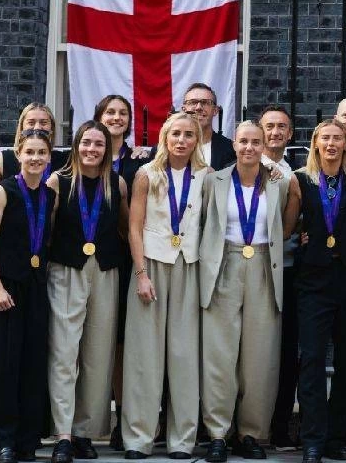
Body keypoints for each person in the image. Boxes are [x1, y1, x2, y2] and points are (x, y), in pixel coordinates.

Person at [199, 120, 298, 462]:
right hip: (224, 264)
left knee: (260, 357)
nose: (250, 147)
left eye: (256, 142)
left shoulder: (278, 182)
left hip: (263, 266)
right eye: (244, 141)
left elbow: (291, 214)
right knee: (220, 356)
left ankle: (251, 433)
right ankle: (217, 433)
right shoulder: (214, 181)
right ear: (235, 144)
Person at [121, 112, 209, 460]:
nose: (182, 140)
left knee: (185, 355)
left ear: (197, 140)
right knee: (145, 355)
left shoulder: (207, 177)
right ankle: (139, 438)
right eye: (176, 133)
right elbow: (134, 227)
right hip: (152, 266)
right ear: (165, 137)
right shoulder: (147, 174)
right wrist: (141, 273)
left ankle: (182, 440)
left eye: (189, 134)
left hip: (189, 265)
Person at [45, 121, 129, 463]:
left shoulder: (117, 183)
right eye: (86, 143)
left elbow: (126, 228)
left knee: (98, 356)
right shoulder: (57, 182)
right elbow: (44, 229)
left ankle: (85, 432)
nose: (92, 149)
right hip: (66, 270)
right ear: (76, 145)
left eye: (99, 144)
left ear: (106, 149)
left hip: (105, 273)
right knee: (64, 353)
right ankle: (63, 433)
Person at [0, 129, 57, 463]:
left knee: (32, 363)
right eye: (30, 152)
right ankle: (4, 439)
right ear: (19, 155)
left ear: (49, 156)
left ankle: (27, 438)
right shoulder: (2, 191)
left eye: (41, 152)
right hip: (5, 287)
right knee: (3, 365)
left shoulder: (49, 196)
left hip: (35, 286)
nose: (35, 158)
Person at [296, 119, 346, 463]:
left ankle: (336, 435)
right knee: (311, 359)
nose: (331, 143)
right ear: (315, 142)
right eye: (325, 137)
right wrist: (306, 237)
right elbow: (290, 224)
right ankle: (313, 437)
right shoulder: (301, 180)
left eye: (337, 138)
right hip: (314, 279)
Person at [94, 93, 139, 452]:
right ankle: (87, 417)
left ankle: (123, 419)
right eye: (110, 112)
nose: (116, 117)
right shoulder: (80, 155)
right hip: (87, 261)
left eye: (122, 113)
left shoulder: (139, 161)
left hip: (125, 259)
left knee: (122, 342)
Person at [261, 105, 306, 451]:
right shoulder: (241, 169)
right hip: (249, 269)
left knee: (286, 351)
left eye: (282, 127)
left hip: (287, 271)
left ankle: (278, 426)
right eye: (269, 126)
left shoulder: (297, 174)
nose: (275, 132)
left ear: (290, 134)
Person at [0, 103, 69, 181]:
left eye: (44, 123)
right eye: (31, 123)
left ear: (52, 128)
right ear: (22, 128)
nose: (37, 128)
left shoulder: (65, 162)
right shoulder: (4, 160)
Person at [181, 83, 236, 170]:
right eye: (193, 102)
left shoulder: (231, 150)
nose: (198, 107)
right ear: (184, 110)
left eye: (205, 102)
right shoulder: (167, 148)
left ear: (215, 110)